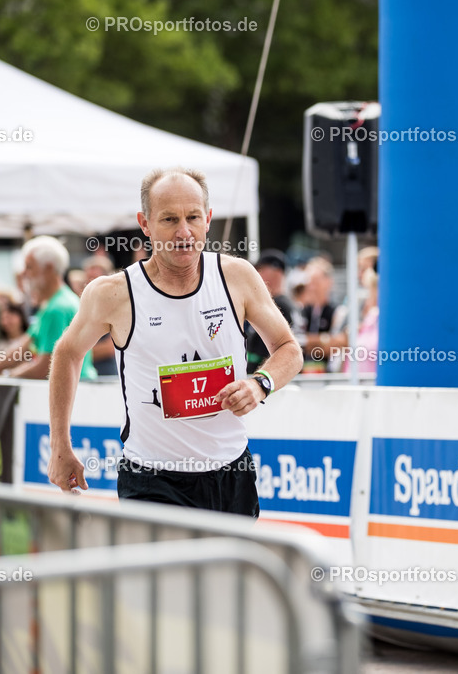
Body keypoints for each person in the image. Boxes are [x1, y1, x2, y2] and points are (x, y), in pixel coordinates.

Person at [46, 168, 302, 516]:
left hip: (230, 473)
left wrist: (260, 385)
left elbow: (289, 349)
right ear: (145, 223)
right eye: (169, 219)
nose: (184, 232)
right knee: (167, 572)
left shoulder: (237, 276)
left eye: (193, 217)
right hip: (152, 478)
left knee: (228, 573)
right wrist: (61, 445)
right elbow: (68, 352)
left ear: (208, 219)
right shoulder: (114, 293)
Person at [0, 237, 96, 380]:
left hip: (75, 391)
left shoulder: (57, 308)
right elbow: (22, 347)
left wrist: (5, 376)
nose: (24, 274)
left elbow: (46, 366)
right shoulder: (54, 302)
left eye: (29, 267)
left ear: (48, 269)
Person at [246, 249, 294, 373]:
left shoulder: (279, 305)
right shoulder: (286, 304)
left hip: (269, 377)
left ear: (276, 271)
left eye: (261, 269)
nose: (256, 274)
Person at [82, 254, 118, 376]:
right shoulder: (83, 306)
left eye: (94, 279)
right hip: (88, 379)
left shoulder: (116, 307)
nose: (90, 285)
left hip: (107, 378)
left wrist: (79, 353)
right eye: (88, 279)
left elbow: (110, 348)